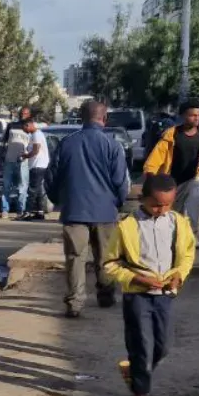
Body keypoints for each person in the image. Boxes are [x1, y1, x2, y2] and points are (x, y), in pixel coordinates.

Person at [101, 174, 196, 396]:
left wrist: (179, 275)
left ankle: (135, 373)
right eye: (156, 204)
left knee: (163, 346)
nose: (161, 209)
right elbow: (109, 264)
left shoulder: (178, 222)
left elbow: (187, 254)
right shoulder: (127, 226)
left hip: (164, 294)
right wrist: (137, 279)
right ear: (143, 199)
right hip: (137, 296)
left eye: (167, 204)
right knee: (141, 344)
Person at [45, 99, 131, 318]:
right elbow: (121, 181)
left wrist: (58, 200)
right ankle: (106, 295)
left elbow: (51, 177)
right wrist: (118, 203)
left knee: (75, 257)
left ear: (81, 118)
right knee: (106, 257)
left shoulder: (67, 143)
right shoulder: (112, 145)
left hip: (74, 211)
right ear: (104, 118)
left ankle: (75, 303)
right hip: (105, 211)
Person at [143, 103, 199, 245]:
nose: (196, 118)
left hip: (194, 178)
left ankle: (192, 235)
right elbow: (157, 155)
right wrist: (150, 174)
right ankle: (170, 237)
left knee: (194, 202)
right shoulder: (172, 134)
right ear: (183, 116)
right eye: (192, 115)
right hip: (172, 181)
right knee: (172, 213)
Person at [1, 116, 37, 218]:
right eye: (23, 113)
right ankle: (4, 210)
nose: (24, 115)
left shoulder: (31, 132)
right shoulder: (11, 126)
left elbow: (33, 148)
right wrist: (1, 156)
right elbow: (3, 142)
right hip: (9, 160)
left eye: (26, 113)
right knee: (6, 187)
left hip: (23, 162)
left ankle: (20, 210)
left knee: (22, 188)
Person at [22, 119, 50, 219]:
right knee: (38, 190)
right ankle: (40, 211)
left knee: (32, 190)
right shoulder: (36, 134)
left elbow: (36, 150)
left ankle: (28, 212)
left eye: (24, 127)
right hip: (38, 165)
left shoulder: (36, 134)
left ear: (28, 125)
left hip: (38, 165)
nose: (24, 130)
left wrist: (26, 156)